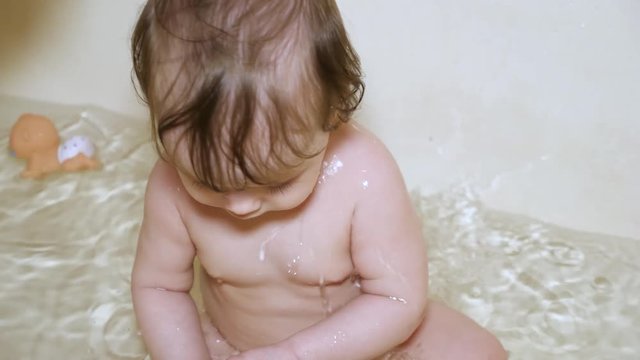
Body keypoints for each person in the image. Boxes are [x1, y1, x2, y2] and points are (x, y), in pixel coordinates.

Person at [130, 0, 507, 359]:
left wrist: (297, 354)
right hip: (233, 343)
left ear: (333, 113)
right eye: (207, 181)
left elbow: (398, 299)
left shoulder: (362, 175)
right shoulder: (171, 190)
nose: (240, 205)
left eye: (277, 181)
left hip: (366, 340)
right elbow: (160, 287)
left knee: (481, 353)